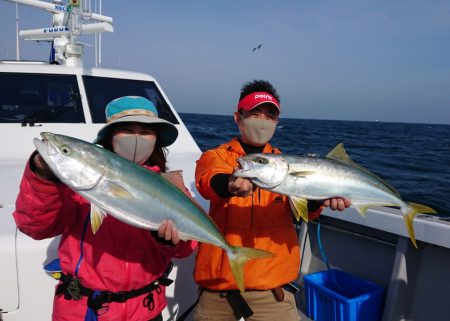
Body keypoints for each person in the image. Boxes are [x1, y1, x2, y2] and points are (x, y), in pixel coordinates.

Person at [13, 96, 197, 321]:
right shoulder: (78, 184)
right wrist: (43, 177)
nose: (137, 137)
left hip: (146, 311)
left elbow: (187, 248)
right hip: (84, 311)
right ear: (111, 136)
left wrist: (169, 242)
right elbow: (36, 227)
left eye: (146, 131)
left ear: (156, 139)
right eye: (127, 129)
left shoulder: (170, 187)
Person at [192, 80, 350, 321]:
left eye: (269, 116)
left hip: (273, 294)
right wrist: (230, 185)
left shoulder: (283, 164)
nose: (262, 121)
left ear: (277, 122)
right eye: (255, 114)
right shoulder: (217, 156)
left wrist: (321, 200)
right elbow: (209, 181)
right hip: (218, 292)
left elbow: (303, 211)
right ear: (238, 117)